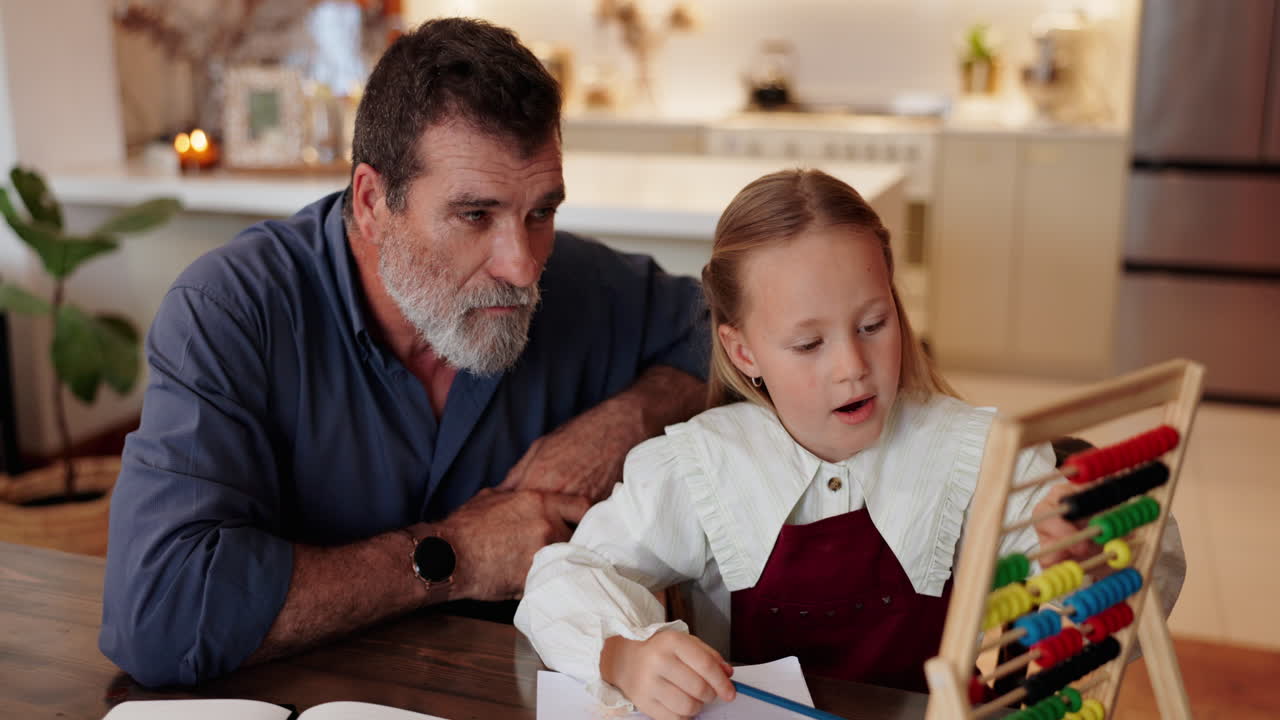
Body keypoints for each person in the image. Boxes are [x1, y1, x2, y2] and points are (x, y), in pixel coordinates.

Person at [100, 18, 709, 688]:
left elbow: (728, 333)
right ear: (371, 201)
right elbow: (161, 614)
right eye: (475, 216)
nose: (523, 265)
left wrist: (625, 421)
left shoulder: (583, 285)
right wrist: (459, 555)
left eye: (541, 212)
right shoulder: (232, 310)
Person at [514, 169, 1186, 720]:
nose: (851, 366)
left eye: (873, 322)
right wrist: (625, 652)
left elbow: (1120, 585)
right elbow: (562, 577)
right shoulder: (700, 469)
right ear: (743, 350)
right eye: (809, 343)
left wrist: (1090, 556)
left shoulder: (970, 452)